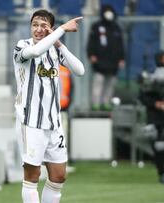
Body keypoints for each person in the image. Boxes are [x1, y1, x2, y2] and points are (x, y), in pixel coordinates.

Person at [13, 9, 84, 203]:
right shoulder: (22, 46)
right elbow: (36, 51)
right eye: (34, 24)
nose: (38, 29)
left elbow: (80, 70)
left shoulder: (54, 49)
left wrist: (59, 42)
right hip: (30, 121)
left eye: (43, 25)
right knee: (33, 176)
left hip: (54, 122)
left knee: (59, 176)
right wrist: (61, 29)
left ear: (50, 28)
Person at [87, 4, 125, 111]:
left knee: (110, 84)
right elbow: (92, 42)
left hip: (113, 62)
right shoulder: (96, 26)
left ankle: (106, 103)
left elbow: (120, 44)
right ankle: (96, 104)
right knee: (98, 83)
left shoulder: (116, 28)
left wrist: (121, 58)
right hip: (100, 62)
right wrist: (91, 54)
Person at [139, 51, 164, 184]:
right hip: (155, 117)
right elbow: (142, 96)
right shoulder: (151, 77)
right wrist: (156, 103)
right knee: (158, 146)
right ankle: (161, 172)